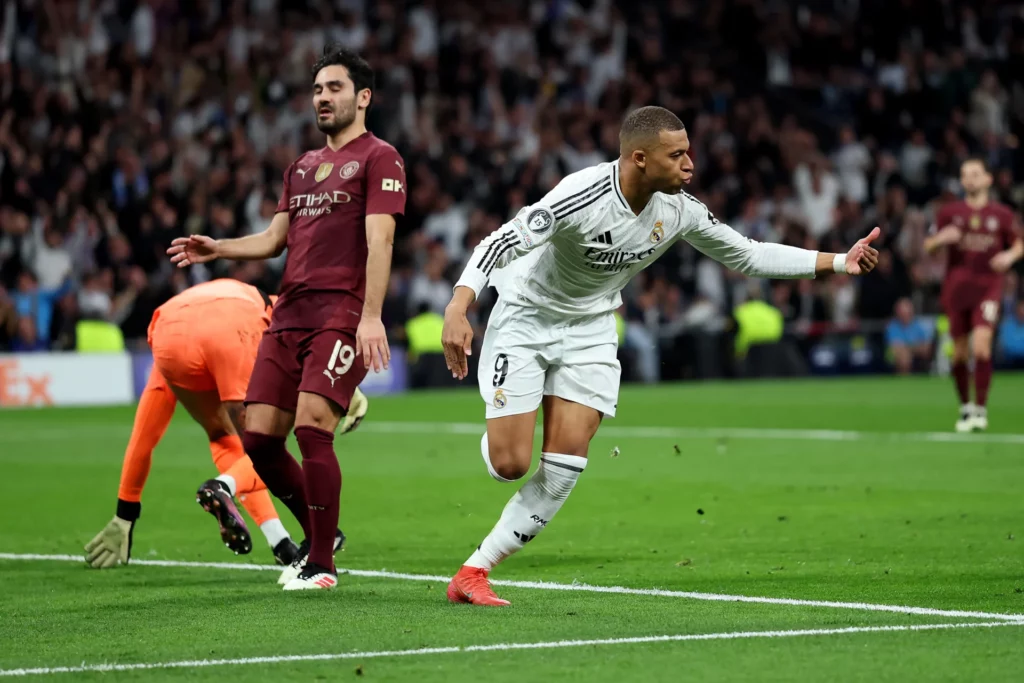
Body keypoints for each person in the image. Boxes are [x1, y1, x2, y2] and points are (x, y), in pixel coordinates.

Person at [439, 106, 881, 607]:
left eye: (688, 151)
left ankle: (474, 571)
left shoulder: (679, 209)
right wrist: (459, 305)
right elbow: (499, 241)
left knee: (564, 465)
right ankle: (504, 426)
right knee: (511, 464)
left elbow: (748, 254)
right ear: (640, 158)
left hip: (591, 330)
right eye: (677, 155)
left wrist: (839, 262)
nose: (690, 164)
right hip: (527, 318)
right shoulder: (580, 194)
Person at [167, 46, 406, 590]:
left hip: (341, 310)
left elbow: (381, 238)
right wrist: (218, 248)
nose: (323, 97)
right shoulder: (300, 167)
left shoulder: (380, 158)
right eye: (318, 89)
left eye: (335, 88)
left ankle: (320, 563)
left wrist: (371, 316)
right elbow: (276, 239)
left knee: (312, 427)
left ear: (363, 97)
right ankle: (324, 535)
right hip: (289, 310)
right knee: (258, 439)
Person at [85, 279, 367, 569]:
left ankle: (280, 542)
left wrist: (125, 514)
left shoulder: (209, 301)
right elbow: (313, 342)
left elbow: (144, 435)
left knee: (223, 437)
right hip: (235, 328)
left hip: (167, 328)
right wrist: (348, 387)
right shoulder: (278, 308)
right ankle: (223, 486)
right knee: (265, 446)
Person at [924, 158, 1024, 432]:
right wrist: (941, 239)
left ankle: (981, 409)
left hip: (988, 287)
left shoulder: (1002, 214)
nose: (970, 179)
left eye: (976, 174)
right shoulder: (949, 213)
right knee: (958, 355)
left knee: (981, 346)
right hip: (957, 289)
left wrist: (1008, 256)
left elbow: (1019, 243)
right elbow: (928, 246)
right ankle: (965, 407)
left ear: (988, 179)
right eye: (965, 174)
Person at [885, 297, 933, 375]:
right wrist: (914, 347)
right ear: (897, 312)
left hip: (915, 356)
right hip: (894, 356)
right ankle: (903, 383)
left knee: (906, 354)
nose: (905, 314)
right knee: (904, 357)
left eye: (907, 311)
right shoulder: (892, 326)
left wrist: (908, 348)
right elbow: (895, 347)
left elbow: (926, 349)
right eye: (902, 311)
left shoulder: (918, 325)